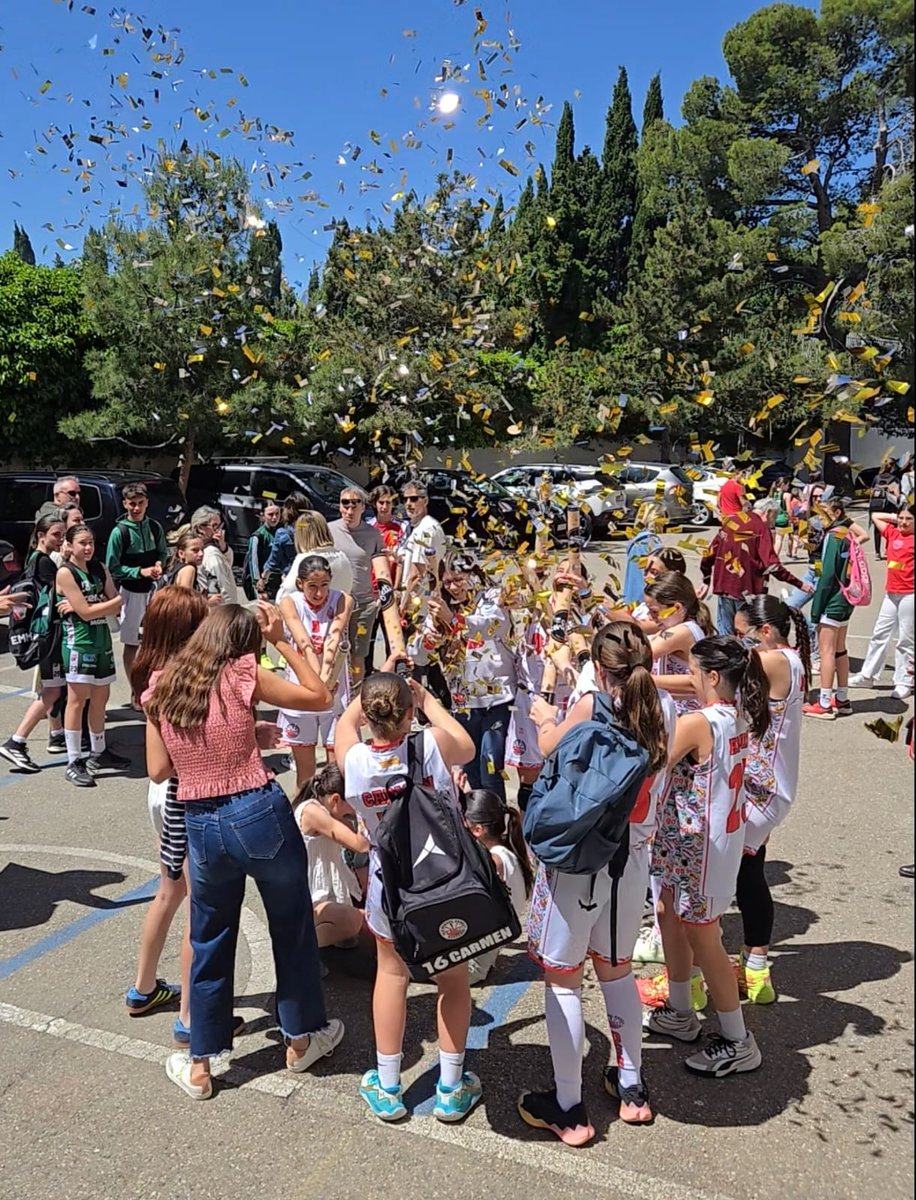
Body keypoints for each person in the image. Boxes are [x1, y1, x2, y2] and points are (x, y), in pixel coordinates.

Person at [144, 603, 341, 1100]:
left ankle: (200, 1064)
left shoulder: (162, 685)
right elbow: (319, 696)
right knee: (292, 925)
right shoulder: (240, 673)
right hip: (257, 810)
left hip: (200, 819)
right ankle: (301, 1039)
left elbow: (158, 769)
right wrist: (281, 640)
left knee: (209, 936)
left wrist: (211, 747)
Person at [517, 622, 670, 1144]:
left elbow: (547, 749)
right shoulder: (664, 708)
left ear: (601, 670)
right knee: (617, 970)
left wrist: (544, 710)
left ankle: (568, 1105)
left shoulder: (591, 706)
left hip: (582, 861)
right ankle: (631, 1086)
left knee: (563, 978)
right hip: (633, 859)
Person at [335, 665, 479, 1124]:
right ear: (408, 714)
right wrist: (426, 700)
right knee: (452, 979)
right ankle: (450, 1088)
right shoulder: (431, 744)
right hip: (442, 879)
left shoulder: (355, 762)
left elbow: (343, 726)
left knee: (392, 974)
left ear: (369, 716)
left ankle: (388, 1084)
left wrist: (368, 691)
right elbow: (468, 746)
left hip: (389, 882)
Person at [646, 635, 769, 1078]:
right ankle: (681, 1010)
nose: (689, 679)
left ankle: (738, 1039)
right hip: (687, 841)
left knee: (705, 938)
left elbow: (653, 762)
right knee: (668, 912)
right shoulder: (736, 712)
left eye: (694, 673)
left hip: (703, 848)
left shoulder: (700, 722)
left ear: (713, 677)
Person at [126, 587, 210, 1030]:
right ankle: (191, 1017)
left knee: (169, 889)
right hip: (182, 792)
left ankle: (143, 988)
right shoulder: (179, 678)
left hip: (162, 797)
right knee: (200, 904)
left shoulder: (148, 668)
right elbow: (160, 766)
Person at [733, 597, 811, 1005]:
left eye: (742, 634)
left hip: (759, 788)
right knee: (749, 874)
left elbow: (716, 674)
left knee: (721, 879)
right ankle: (755, 966)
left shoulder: (774, 660)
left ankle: (697, 975)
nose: (737, 641)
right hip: (765, 783)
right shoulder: (789, 659)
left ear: (765, 631)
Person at [425, 554, 517, 801]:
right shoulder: (440, 604)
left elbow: (490, 626)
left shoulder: (492, 597)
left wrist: (453, 619)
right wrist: (429, 640)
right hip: (463, 701)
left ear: (473, 574)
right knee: (470, 767)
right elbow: (420, 650)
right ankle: (477, 817)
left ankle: (497, 818)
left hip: (497, 697)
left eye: (458, 579)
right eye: (447, 582)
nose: (453, 587)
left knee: (491, 765)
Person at [56, 524, 130, 788]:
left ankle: (99, 751)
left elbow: (115, 604)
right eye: (82, 543)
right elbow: (88, 612)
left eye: (91, 542)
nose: (88, 548)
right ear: (70, 545)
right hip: (79, 643)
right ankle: (74, 759)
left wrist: (97, 605)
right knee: (77, 701)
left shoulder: (99, 568)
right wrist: (106, 604)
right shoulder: (66, 572)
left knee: (101, 698)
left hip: (102, 642)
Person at [277, 555, 352, 788]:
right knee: (306, 772)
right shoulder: (289, 602)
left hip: (334, 687)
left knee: (336, 768)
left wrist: (326, 681)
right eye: (312, 586)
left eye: (324, 585)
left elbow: (334, 637)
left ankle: (335, 807)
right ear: (300, 583)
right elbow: (304, 643)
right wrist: (319, 685)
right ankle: (305, 807)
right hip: (302, 691)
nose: (319, 593)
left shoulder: (342, 599)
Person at [0, 515, 67, 772]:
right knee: (52, 691)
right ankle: (16, 741)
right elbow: (61, 593)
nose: (61, 540)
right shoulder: (44, 563)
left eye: (63, 535)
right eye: (56, 535)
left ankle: (56, 734)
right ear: (41, 536)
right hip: (49, 636)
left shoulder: (35, 559)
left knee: (52, 689)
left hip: (43, 636)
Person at [699, 507, 811, 636]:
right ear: (767, 512)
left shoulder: (731, 521)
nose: (772, 523)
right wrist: (798, 583)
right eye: (773, 518)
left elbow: (709, 553)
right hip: (748, 590)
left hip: (725, 587)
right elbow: (772, 564)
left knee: (726, 636)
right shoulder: (761, 528)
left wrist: (706, 578)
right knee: (748, 634)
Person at [458, 787, 531, 983]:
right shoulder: (507, 852)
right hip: (483, 957)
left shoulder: (492, 862)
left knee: (390, 955)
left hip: (470, 966)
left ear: (477, 830)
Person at [293, 763, 368, 949]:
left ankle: (335, 929)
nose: (354, 811)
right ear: (335, 799)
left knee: (350, 936)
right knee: (358, 921)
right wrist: (365, 812)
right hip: (310, 896)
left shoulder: (327, 807)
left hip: (327, 885)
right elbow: (361, 844)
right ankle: (302, 948)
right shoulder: (312, 812)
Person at [105, 483, 169, 694]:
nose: (136, 508)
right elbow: (113, 567)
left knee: (156, 642)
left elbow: (163, 553)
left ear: (147, 503)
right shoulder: (119, 532)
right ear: (125, 504)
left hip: (155, 591)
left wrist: (159, 564)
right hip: (132, 593)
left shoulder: (154, 527)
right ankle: (136, 690)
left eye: (140, 503)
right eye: (132, 503)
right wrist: (139, 572)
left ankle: (154, 687)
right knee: (132, 644)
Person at [849, 506, 914, 700]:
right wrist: (897, 517)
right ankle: (867, 675)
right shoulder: (893, 533)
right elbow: (875, 516)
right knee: (880, 634)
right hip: (891, 593)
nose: (903, 522)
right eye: (902, 518)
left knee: (906, 639)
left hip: (910, 594)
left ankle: (904, 681)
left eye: (909, 519)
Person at [803, 496, 858, 719]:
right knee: (840, 649)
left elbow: (826, 576)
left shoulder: (833, 536)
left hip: (833, 598)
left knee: (826, 650)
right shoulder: (847, 533)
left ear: (835, 513)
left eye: (823, 511)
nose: (819, 516)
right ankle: (842, 698)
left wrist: (816, 609)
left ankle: (824, 702)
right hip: (847, 597)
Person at [330, 486, 383, 693]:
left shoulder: (373, 534)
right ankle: (333, 694)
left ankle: (356, 696)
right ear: (339, 506)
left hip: (363, 604)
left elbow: (382, 565)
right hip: (336, 602)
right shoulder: (329, 530)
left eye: (355, 504)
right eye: (345, 504)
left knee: (359, 653)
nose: (349, 509)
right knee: (333, 649)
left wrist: (381, 595)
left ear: (363, 507)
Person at [398, 482, 447, 693]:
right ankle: (444, 699)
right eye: (405, 499)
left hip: (420, 603)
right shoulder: (418, 527)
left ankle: (420, 703)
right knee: (425, 656)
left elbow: (417, 574)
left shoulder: (425, 529)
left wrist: (402, 604)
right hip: (422, 601)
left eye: (414, 499)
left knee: (415, 656)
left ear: (425, 500)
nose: (409, 503)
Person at [645, 571, 715, 713]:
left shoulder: (682, 632)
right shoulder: (678, 627)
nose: (650, 616)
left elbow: (641, 655)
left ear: (677, 608)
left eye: (654, 611)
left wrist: (644, 680)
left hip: (684, 713)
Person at [277, 511, 354, 601]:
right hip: (341, 608)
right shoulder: (342, 556)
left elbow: (284, 595)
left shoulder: (305, 559)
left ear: (300, 535)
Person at [260, 492, 312, 596]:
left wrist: (263, 578)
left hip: (291, 578)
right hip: (311, 577)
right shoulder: (312, 530)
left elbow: (274, 560)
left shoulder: (283, 533)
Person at [189, 506, 238, 605]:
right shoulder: (211, 554)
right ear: (200, 528)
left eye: (220, 525)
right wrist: (229, 608)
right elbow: (221, 587)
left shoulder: (213, 548)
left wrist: (223, 546)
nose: (219, 530)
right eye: (214, 526)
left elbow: (227, 566)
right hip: (219, 608)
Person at [243, 499, 281, 600]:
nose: (274, 517)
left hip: (279, 580)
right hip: (264, 583)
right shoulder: (258, 536)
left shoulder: (281, 532)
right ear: (262, 516)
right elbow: (253, 561)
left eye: (277, 514)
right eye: (270, 514)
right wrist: (257, 581)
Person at [869, 459, 901, 559]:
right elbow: (897, 494)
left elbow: (871, 492)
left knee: (877, 530)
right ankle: (888, 550)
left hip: (876, 506)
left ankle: (877, 553)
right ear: (892, 467)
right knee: (891, 528)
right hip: (889, 506)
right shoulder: (894, 479)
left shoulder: (877, 478)